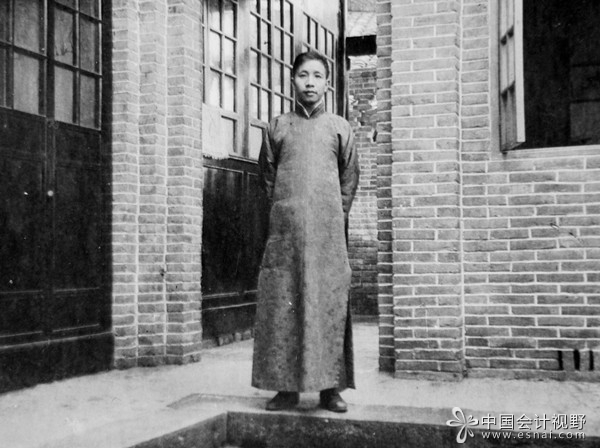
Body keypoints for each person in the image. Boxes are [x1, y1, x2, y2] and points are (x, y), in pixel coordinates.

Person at [251, 50, 360, 413]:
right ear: (292, 81)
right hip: (287, 235)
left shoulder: (340, 128)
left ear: (327, 83)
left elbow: (349, 180)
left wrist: (331, 218)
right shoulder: (277, 127)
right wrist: (289, 214)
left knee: (329, 304)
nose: (310, 83)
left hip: (328, 236)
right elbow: (268, 179)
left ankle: (330, 389)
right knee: (284, 304)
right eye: (303, 75)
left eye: (317, 76)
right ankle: (286, 389)